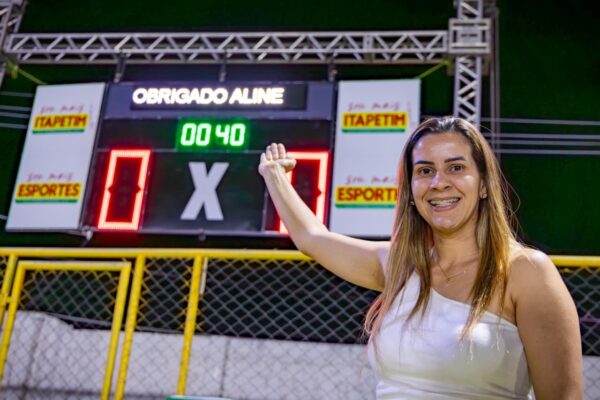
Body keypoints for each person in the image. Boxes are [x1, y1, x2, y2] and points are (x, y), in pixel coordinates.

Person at [258, 116, 582, 399]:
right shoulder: (399, 265)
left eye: (456, 168)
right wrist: (274, 176)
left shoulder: (526, 272)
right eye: (425, 170)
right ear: (412, 190)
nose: (439, 183)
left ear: (484, 184)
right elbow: (312, 238)